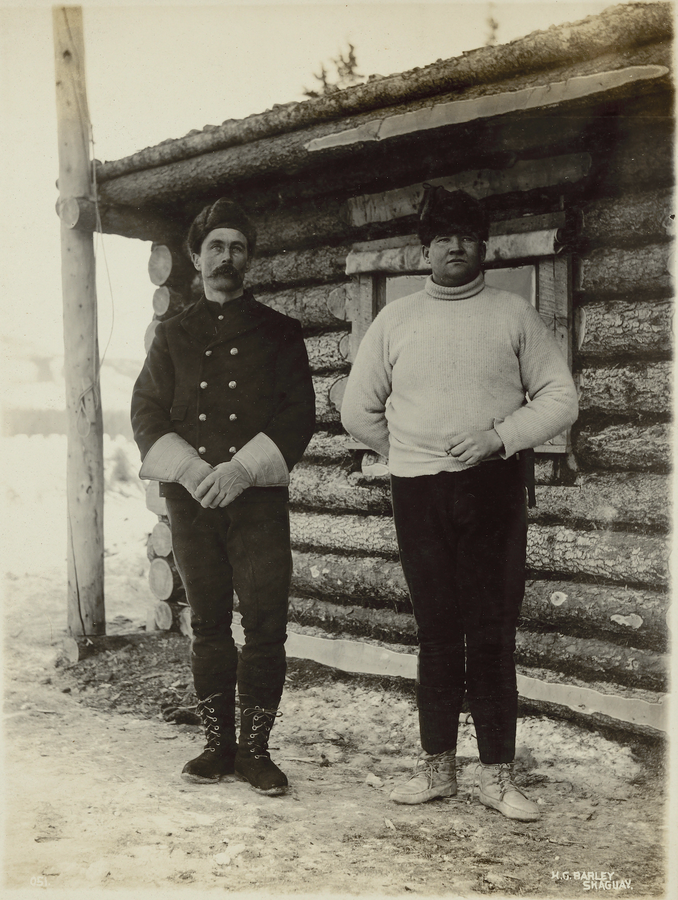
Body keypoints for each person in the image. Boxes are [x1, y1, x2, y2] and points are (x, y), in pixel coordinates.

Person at [340, 186, 578, 822]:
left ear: (484, 245)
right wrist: (408, 451)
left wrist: (498, 438)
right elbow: (355, 408)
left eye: (466, 236)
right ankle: (437, 771)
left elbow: (560, 399)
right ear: (425, 246)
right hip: (418, 493)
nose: (454, 246)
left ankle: (500, 776)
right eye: (442, 236)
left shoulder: (514, 316)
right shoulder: (396, 321)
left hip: (492, 490)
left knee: (492, 634)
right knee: (438, 632)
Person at [131, 198, 316, 796]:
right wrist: (190, 471)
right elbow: (146, 413)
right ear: (195, 256)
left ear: (250, 259)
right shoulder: (171, 334)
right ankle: (217, 747)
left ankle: (256, 753)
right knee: (208, 623)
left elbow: (298, 416)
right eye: (216, 247)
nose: (226, 258)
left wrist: (240, 471)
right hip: (192, 500)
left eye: (237, 247)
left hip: (256, 498)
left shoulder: (280, 333)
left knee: (266, 625)